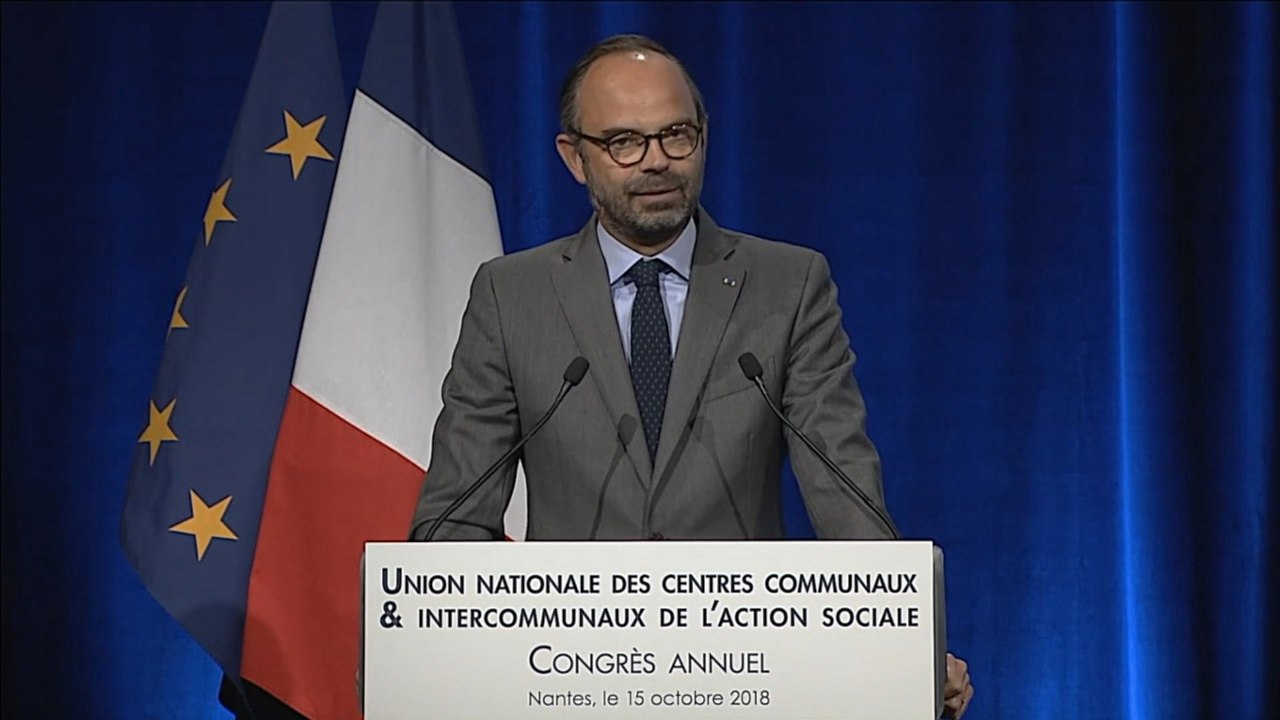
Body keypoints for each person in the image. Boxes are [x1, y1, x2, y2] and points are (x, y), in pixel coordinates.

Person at [410, 34, 974, 717]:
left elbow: (844, 490)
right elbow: (456, 519)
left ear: (704, 137)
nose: (656, 161)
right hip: (566, 678)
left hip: (743, 677)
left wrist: (905, 644)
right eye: (624, 141)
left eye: (676, 135)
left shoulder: (788, 285)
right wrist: (432, 656)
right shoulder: (512, 296)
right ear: (575, 158)